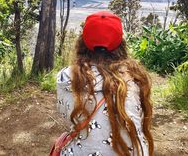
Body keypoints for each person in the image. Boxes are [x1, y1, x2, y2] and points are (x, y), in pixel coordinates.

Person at [56, 11, 154, 156]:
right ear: (120, 44)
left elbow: (67, 117)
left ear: (82, 42)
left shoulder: (67, 77)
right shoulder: (135, 77)